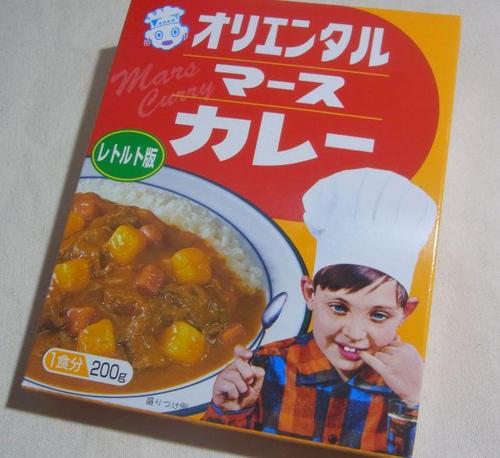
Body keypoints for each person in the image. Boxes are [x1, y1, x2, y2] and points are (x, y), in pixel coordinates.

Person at [203, 168, 437, 456]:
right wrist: (229, 410)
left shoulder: (414, 382)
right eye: (339, 307)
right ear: (310, 294)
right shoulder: (264, 366)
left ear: (406, 311)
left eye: (378, 315)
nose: (354, 333)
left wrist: (415, 400)